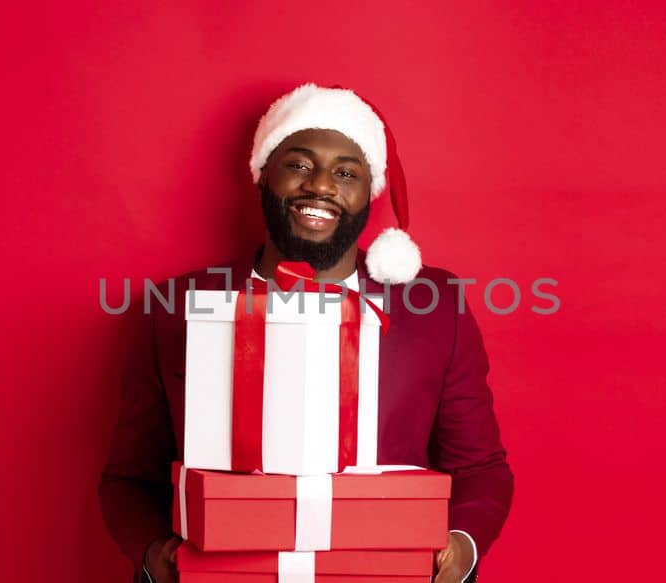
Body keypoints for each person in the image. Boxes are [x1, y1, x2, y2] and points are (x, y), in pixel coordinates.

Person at [98, 83, 513, 583]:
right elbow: (129, 477)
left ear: (369, 191)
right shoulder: (177, 307)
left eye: (345, 172)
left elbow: (480, 467)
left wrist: (459, 551)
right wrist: (155, 556)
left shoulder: (434, 306)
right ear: (262, 176)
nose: (320, 185)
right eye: (298, 164)